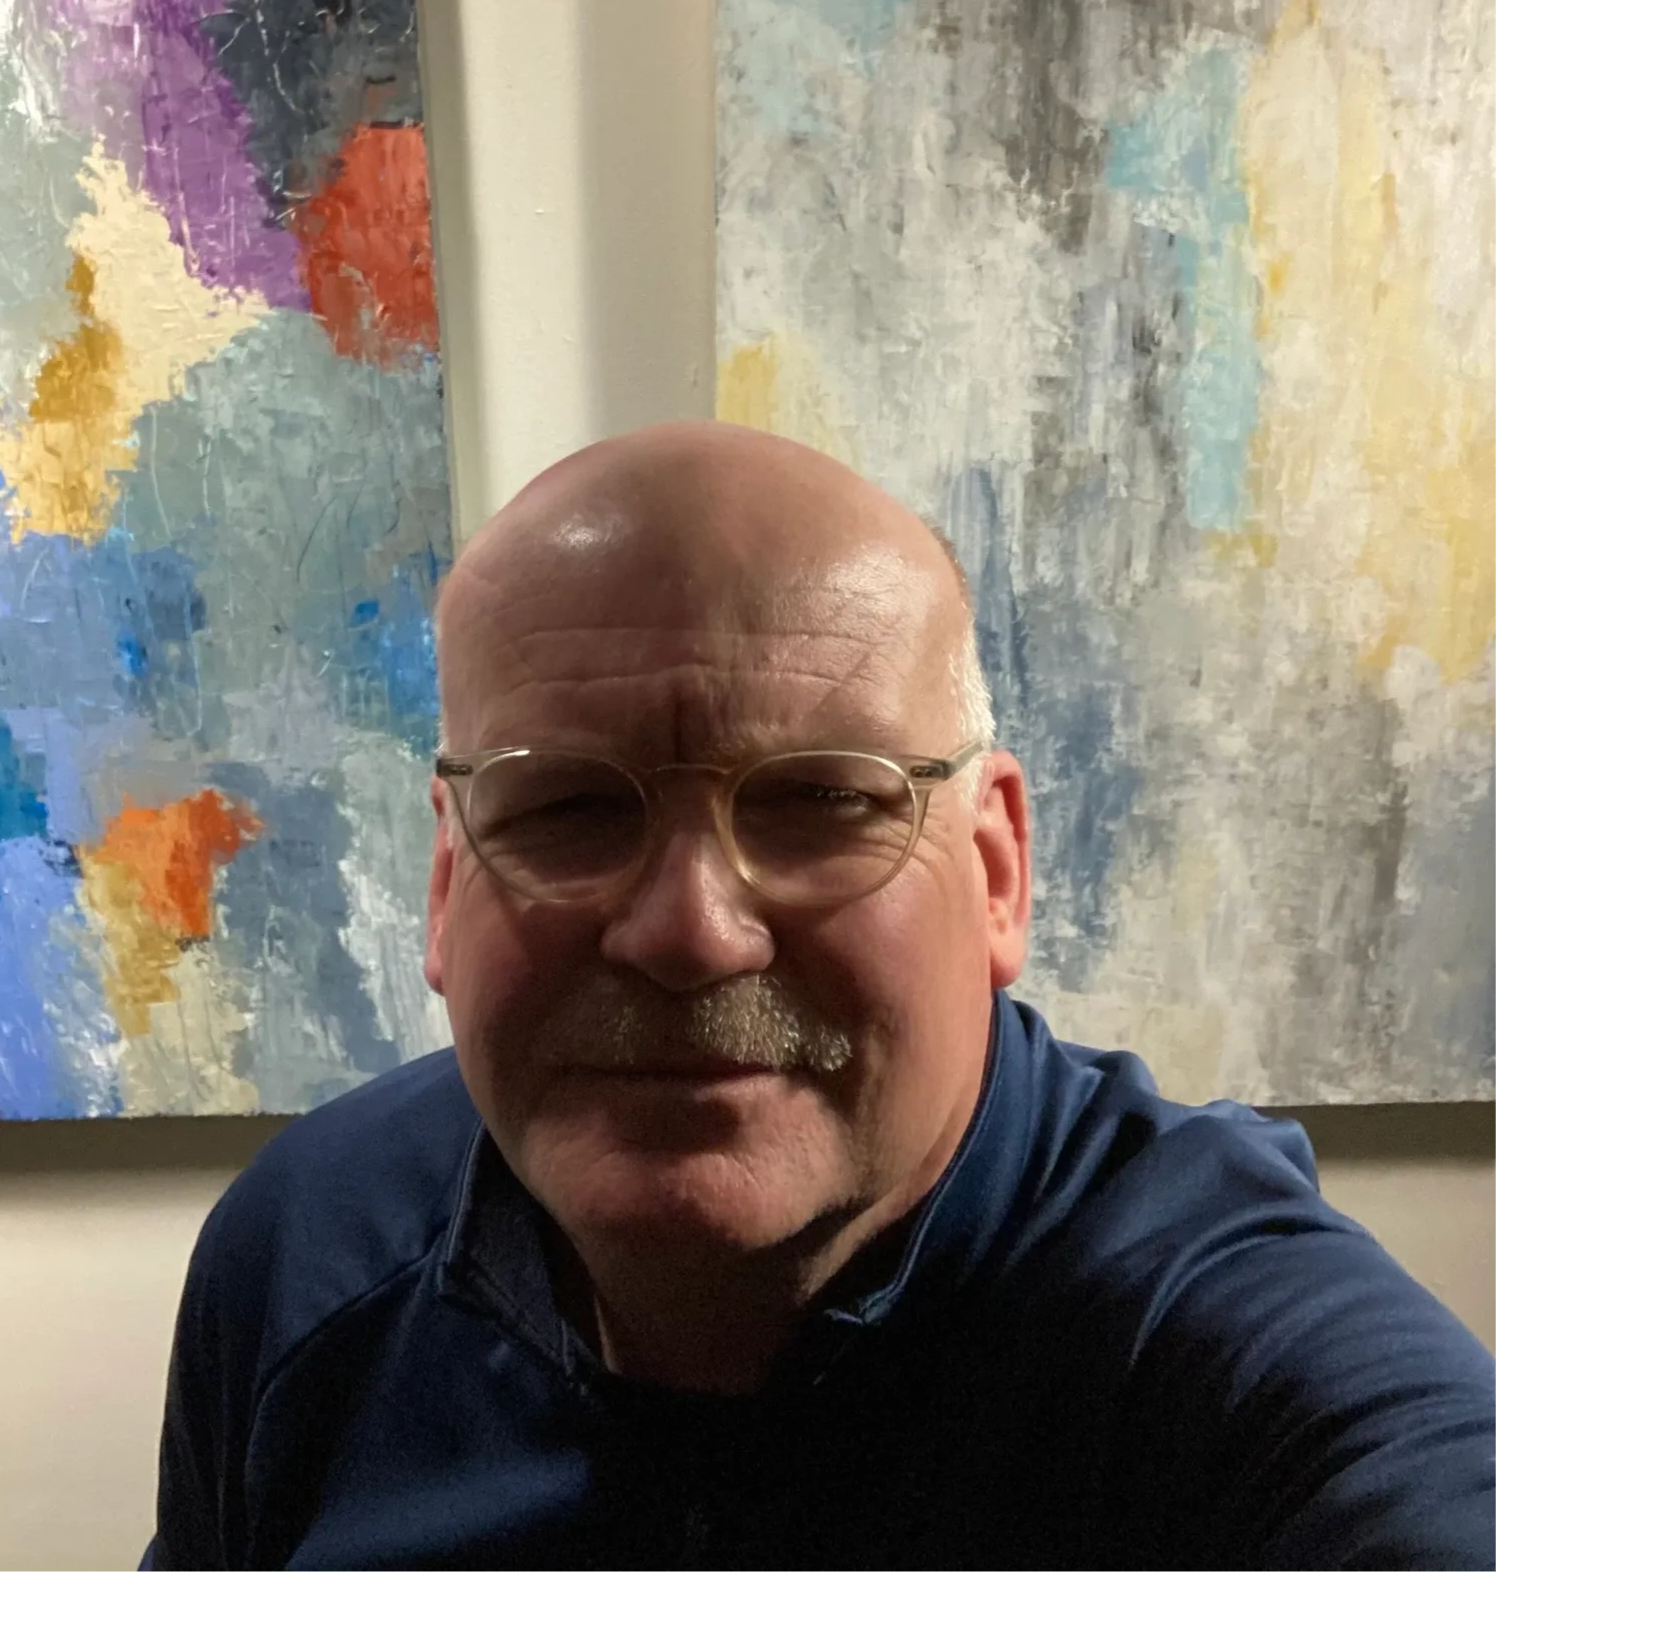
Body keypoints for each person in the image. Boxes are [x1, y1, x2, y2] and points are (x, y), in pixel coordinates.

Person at [143, 422, 1499, 1573]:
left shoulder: (1212, 1348)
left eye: (820, 802)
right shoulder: (306, 1253)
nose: (689, 932)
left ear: (996, 871)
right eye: (562, 808)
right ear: (448, 883)